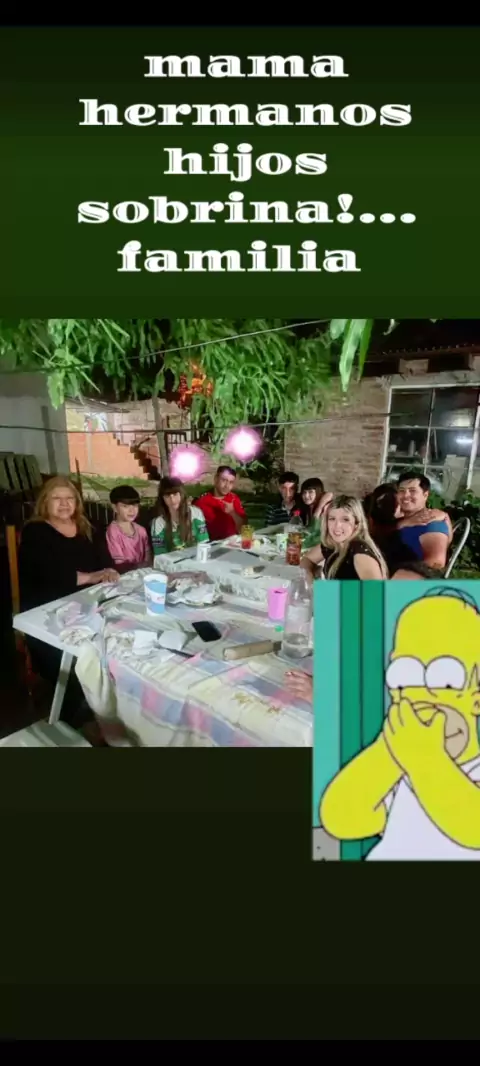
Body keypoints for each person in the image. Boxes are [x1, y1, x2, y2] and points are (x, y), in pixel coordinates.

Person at [320, 589, 480, 859]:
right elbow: (343, 819)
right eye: (404, 675)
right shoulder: (400, 768)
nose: (419, 696)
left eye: (444, 678)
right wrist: (389, 749)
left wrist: (424, 757)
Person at [18, 476, 119, 737]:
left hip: (88, 605)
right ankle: (69, 724)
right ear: (45, 502)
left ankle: (106, 712)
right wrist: (92, 576)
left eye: (69, 498)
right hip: (47, 613)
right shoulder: (35, 532)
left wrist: (108, 571)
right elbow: (50, 574)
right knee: (81, 661)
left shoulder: (86, 527)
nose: (64, 504)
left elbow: (105, 561)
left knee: (118, 646)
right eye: (57, 498)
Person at [301, 495, 388, 581]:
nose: (337, 526)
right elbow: (307, 559)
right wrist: (309, 578)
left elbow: (376, 590)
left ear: (357, 523)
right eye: (332, 519)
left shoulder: (359, 553)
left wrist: (326, 589)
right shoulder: (334, 544)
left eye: (345, 520)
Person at [395, 471, 452, 570]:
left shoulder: (431, 524)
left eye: (412, 491)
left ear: (425, 495)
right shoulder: (401, 520)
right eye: (402, 490)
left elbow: (435, 564)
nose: (406, 495)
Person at [151, 477, 209, 556]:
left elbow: (204, 543)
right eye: (167, 496)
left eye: (175, 494)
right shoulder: (158, 522)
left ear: (182, 494)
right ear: (162, 498)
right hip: (171, 562)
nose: (172, 500)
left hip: (196, 560)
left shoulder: (196, 513)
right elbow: (160, 554)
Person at [106, 484, 151, 571]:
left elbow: (148, 554)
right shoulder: (113, 531)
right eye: (125, 506)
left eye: (135, 505)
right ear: (115, 507)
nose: (132, 510)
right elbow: (119, 563)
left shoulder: (141, 530)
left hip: (144, 572)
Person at [196, 466, 246, 541]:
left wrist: (232, 512)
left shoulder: (234, 499)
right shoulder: (201, 502)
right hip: (212, 545)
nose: (227, 486)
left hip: (234, 543)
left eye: (231, 482)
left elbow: (243, 529)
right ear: (216, 479)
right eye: (224, 480)